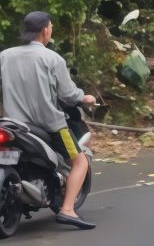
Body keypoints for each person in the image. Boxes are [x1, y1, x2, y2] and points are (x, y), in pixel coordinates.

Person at [0, 12, 98, 229]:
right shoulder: (52, 59)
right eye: (51, 26)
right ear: (45, 30)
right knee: (80, 162)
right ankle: (68, 210)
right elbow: (68, 95)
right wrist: (85, 97)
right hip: (51, 126)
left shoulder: (5, 56)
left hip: (13, 124)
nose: (51, 30)